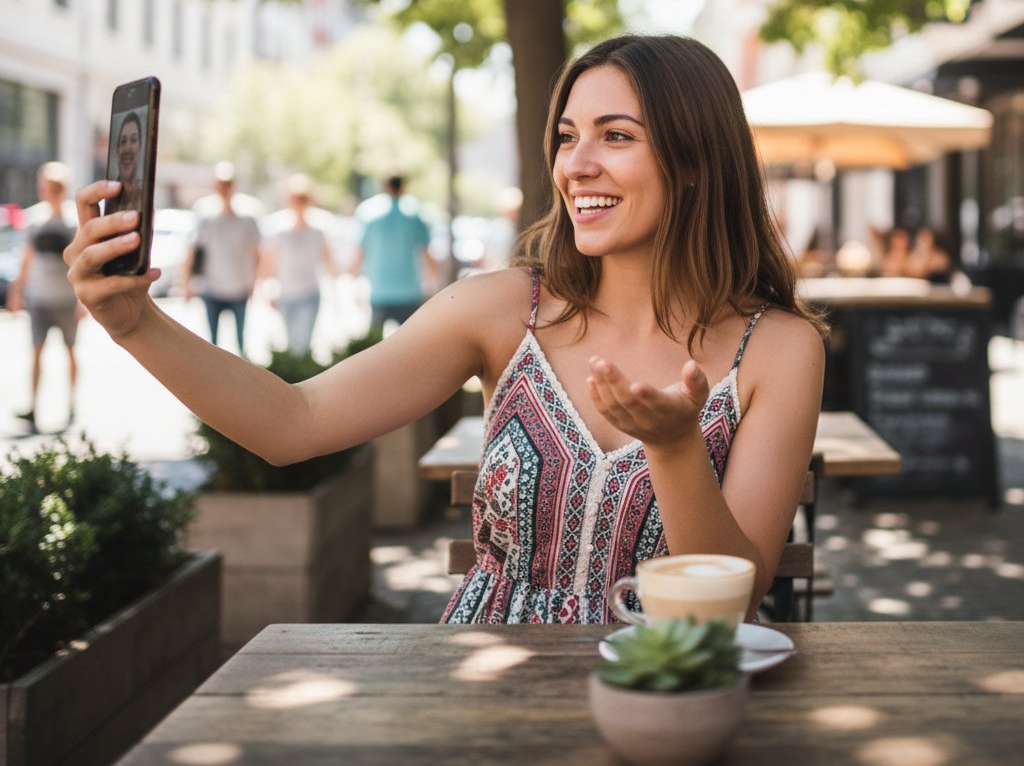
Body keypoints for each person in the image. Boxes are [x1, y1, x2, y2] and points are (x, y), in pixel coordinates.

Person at [64, 33, 825, 624]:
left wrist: (676, 447)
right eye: (566, 136)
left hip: (673, 692)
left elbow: (741, 590)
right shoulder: (501, 309)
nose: (576, 165)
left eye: (616, 136)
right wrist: (138, 325)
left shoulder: (781, 348)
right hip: (478, 683)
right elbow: (291, 424)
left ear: (696, 159)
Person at [6, 162, 81, 433]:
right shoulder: (34, 219)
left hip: (67, 299)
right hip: (39, 299)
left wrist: (83, 302)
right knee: (36, 353)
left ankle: (72, 405)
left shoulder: (73, 220)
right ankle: (33, 407)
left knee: (70, 352)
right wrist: (17, 293)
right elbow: (25, 260)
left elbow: (81, 263)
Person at [182, 162, 262, 357]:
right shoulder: (205, 214)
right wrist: (187, 284)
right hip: (212, 288)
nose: (224, 188)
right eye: (220, 183)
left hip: (238, 287)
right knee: (213, 346)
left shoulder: (248, 217)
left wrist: (255, 282)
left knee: (241, 343)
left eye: (227, 183)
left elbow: (256, 253)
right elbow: (194, 251)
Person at [260, 174, 337, 353]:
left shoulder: (317, 232)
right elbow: (268, 265)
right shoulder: (279, 231)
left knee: (302, 344)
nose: (298, 204)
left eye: (302, 199)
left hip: (309, 295)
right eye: (294, 199)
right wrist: (266, 290)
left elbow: (329, 262)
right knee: (291, 343)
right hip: (286, 295)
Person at [352, 174, 437, 328]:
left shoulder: (369, 213)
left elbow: (360, 252)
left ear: (386, 186)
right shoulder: (415, 213)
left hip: (379, 291)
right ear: (403, 187)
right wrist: (434, 284)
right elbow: (427, 253)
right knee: (410, 345)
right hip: (409, 292)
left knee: (375, 346)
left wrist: (356, 284)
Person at [104, 112, 143, 216]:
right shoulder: (109, 199)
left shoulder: (143, 196)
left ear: (140, 148)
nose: (127, 148)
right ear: (117, 150)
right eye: (123, 141)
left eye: (134, 140)